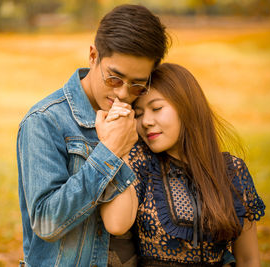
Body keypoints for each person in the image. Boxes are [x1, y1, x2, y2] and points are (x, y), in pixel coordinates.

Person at [16, 4, 170, 267]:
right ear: (92, 56)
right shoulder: (45, 121)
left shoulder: (141, 118)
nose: (123, 94)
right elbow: (46, 222)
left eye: (137, 84)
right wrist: (109, 153)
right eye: (114, 78)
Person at [100, 63, 266, 266]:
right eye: (139, 113)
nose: (146, 122)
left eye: (157, 108)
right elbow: (116, 224)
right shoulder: (140, 163)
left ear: (186, 106)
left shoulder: (232, 170)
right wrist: (120, 148)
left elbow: (248, 259)